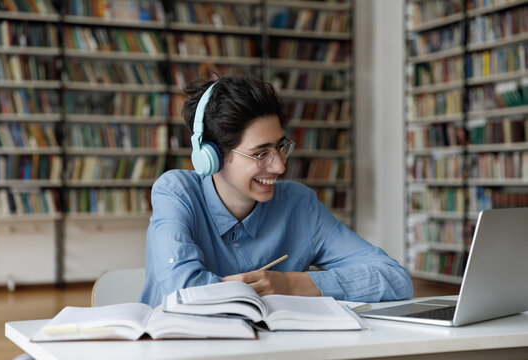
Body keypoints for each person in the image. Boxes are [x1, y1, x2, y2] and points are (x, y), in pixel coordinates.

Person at [140, 75, 413, 307]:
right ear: (211, 156)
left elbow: (394, 278)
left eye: (280, 147)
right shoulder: (176, 192)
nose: (280, 166)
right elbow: (180, 291)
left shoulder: (299, 204)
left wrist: (293, 284)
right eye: (261, 154)